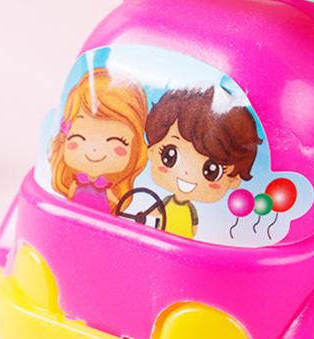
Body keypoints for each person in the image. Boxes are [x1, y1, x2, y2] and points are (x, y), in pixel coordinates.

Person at [146, 86, 261, 238]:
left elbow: (193, 227)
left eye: (211, 170)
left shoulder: (190, 210)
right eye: (169, 156)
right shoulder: (166, 202)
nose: (187, 172)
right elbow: (156, 211)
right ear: (152, 151)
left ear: (234, 179)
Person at [50, 68, 148, 214]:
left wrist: (119, 206)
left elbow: (115, 200)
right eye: (79, 137)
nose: (95, 149)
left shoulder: (104, 186)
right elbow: (70, 194)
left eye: (116, 141)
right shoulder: (77, 181)